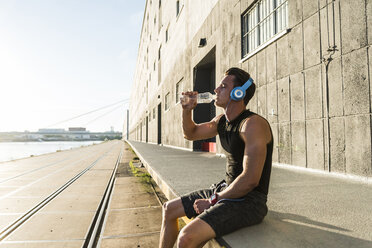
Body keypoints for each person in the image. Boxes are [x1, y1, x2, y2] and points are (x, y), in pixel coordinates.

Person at [159, 67, 273, 248]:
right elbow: (191, 133)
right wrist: (187, 110)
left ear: (238, 93)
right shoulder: (222, 121)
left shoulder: (252, 125)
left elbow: (250, 180)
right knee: (169, 209)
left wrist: (213, 200)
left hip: (250, 201)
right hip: (227, 190)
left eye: (223, 86)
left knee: (186, 237)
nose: (215, 90)